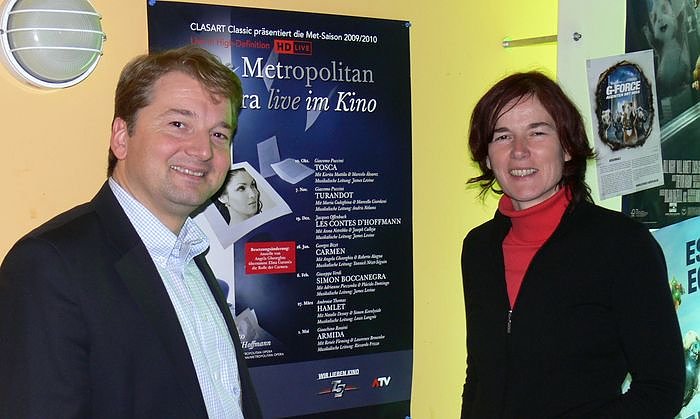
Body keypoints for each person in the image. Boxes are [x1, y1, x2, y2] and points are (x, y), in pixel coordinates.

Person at [0, 46, 262, 419]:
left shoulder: (190, 257)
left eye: (219, 134)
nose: (203, 150)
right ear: (121, 137)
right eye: (178, 124)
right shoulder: (50, 265)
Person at [461, 71, 684, 418]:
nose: (519, 151)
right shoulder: (478, 249)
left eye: (537, 132)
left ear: (566, 147)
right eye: (502, 136)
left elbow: (661, 389)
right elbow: (479, 375)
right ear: (487, 157)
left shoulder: (622, 246)